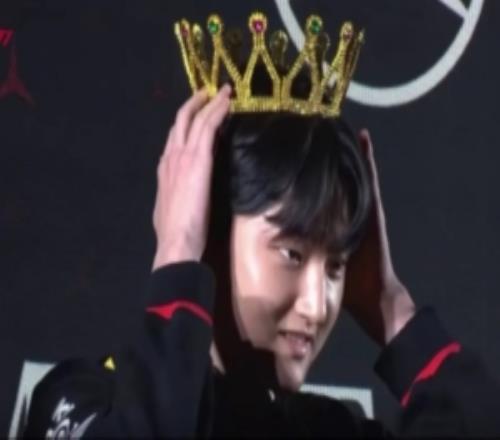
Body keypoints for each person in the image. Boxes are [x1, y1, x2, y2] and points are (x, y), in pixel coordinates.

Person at [23, 82, 500, 437]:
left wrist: (394, 309)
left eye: (336, 266)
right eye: (292, 254)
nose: (317, 306)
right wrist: (177, 253)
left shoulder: (330, 429)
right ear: (208, 230)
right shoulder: (83, 398)